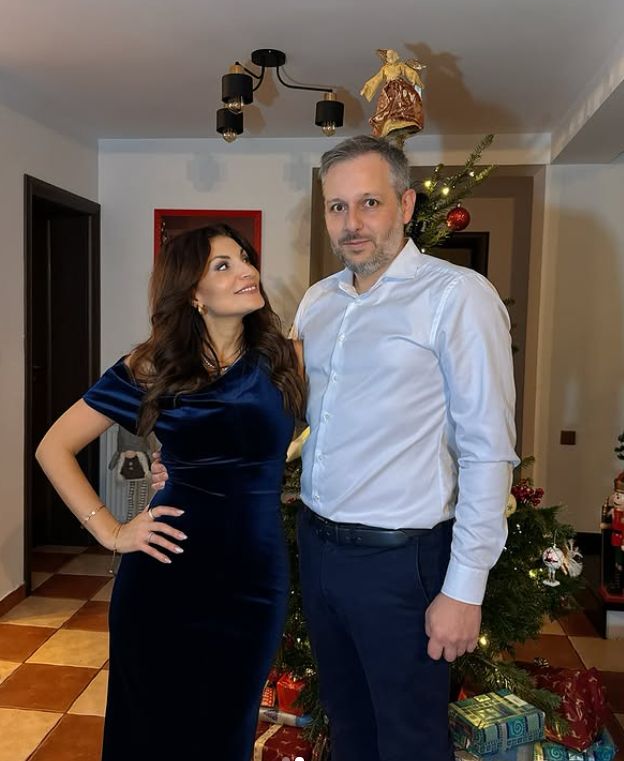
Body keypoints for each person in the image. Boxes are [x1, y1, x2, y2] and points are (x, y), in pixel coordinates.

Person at [154, 136, 519, 761]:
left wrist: (465, 588)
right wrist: (197, 459)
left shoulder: (457, 297)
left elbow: (489, 451)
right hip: (319, 550)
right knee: (347, 731)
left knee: (408, 742)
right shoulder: (319, 302)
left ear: (406, 204)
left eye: (369, 202)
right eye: (336, 206)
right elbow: (286, 412)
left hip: (402, 563)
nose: (351, 223)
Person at [36, 224, 305, 761]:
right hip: (165, 572)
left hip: (255, 578)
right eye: (223, 265)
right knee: (148, 730)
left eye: (244, 258)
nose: (247, 271)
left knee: (227, 731)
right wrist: (112, 531)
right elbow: (53, 447)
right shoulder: (151, 366)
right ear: (192, 293)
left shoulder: (288, 358)